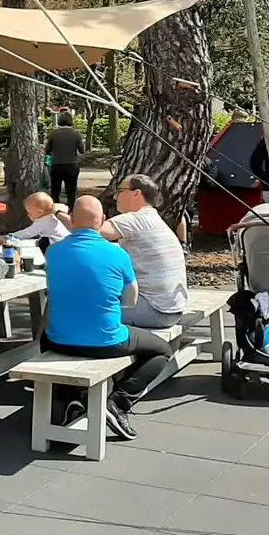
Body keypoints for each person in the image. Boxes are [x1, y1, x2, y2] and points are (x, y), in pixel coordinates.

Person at [42, 195, 174, 440]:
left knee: (47, 329)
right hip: (106, 342)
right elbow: (131, 300)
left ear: (71, 219)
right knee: (162, 350)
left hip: (58, 340)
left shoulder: (53, 251)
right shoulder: (117, 254)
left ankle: (69, 398)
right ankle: (119, 403)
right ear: (102, 220)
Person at [100, 174, 188, 329]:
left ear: (136, 193)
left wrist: (57, 213)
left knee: (77, 304)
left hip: (154, 310)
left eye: (120, 191)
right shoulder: (152, 218)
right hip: (172, 308)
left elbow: (89, 228)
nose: (115, 197)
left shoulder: (135, 219)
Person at [45, 111, 85, 209]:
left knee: (55, 190)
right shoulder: (76, 133)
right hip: (71, 164)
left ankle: (55, 209)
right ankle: (71, 209)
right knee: (71, 190)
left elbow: (48, 150)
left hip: (56, 164)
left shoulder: (53, 133)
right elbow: (82, 150)